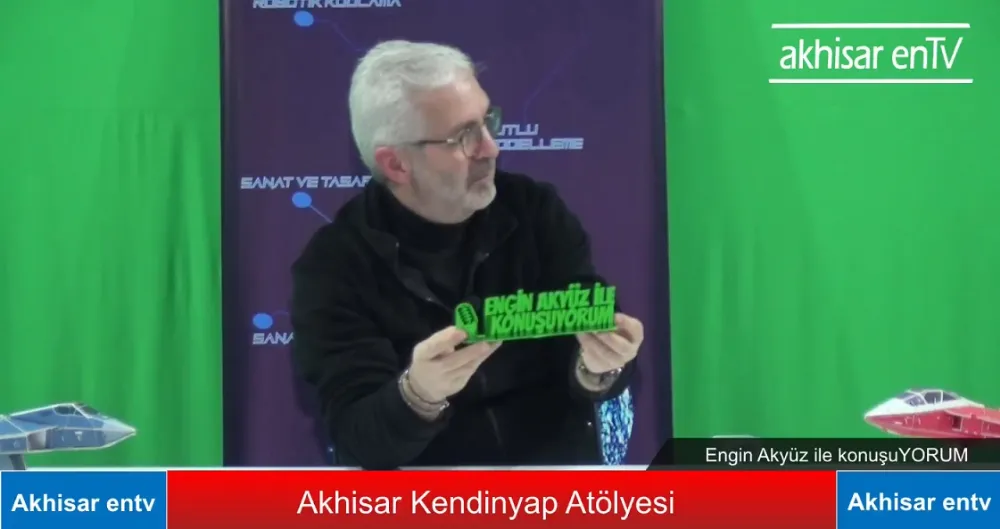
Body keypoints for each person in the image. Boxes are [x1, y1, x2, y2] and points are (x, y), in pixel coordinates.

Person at [290, 40, 644, 469]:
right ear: (396, 164)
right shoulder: (334, 267)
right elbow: (356, 438)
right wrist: (417, 395)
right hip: (428, 494)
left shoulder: (534, 211)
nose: (490, 148)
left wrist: (599, 366)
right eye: (463, 136)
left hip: (553, 483)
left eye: (487, 120)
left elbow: (588, 339)